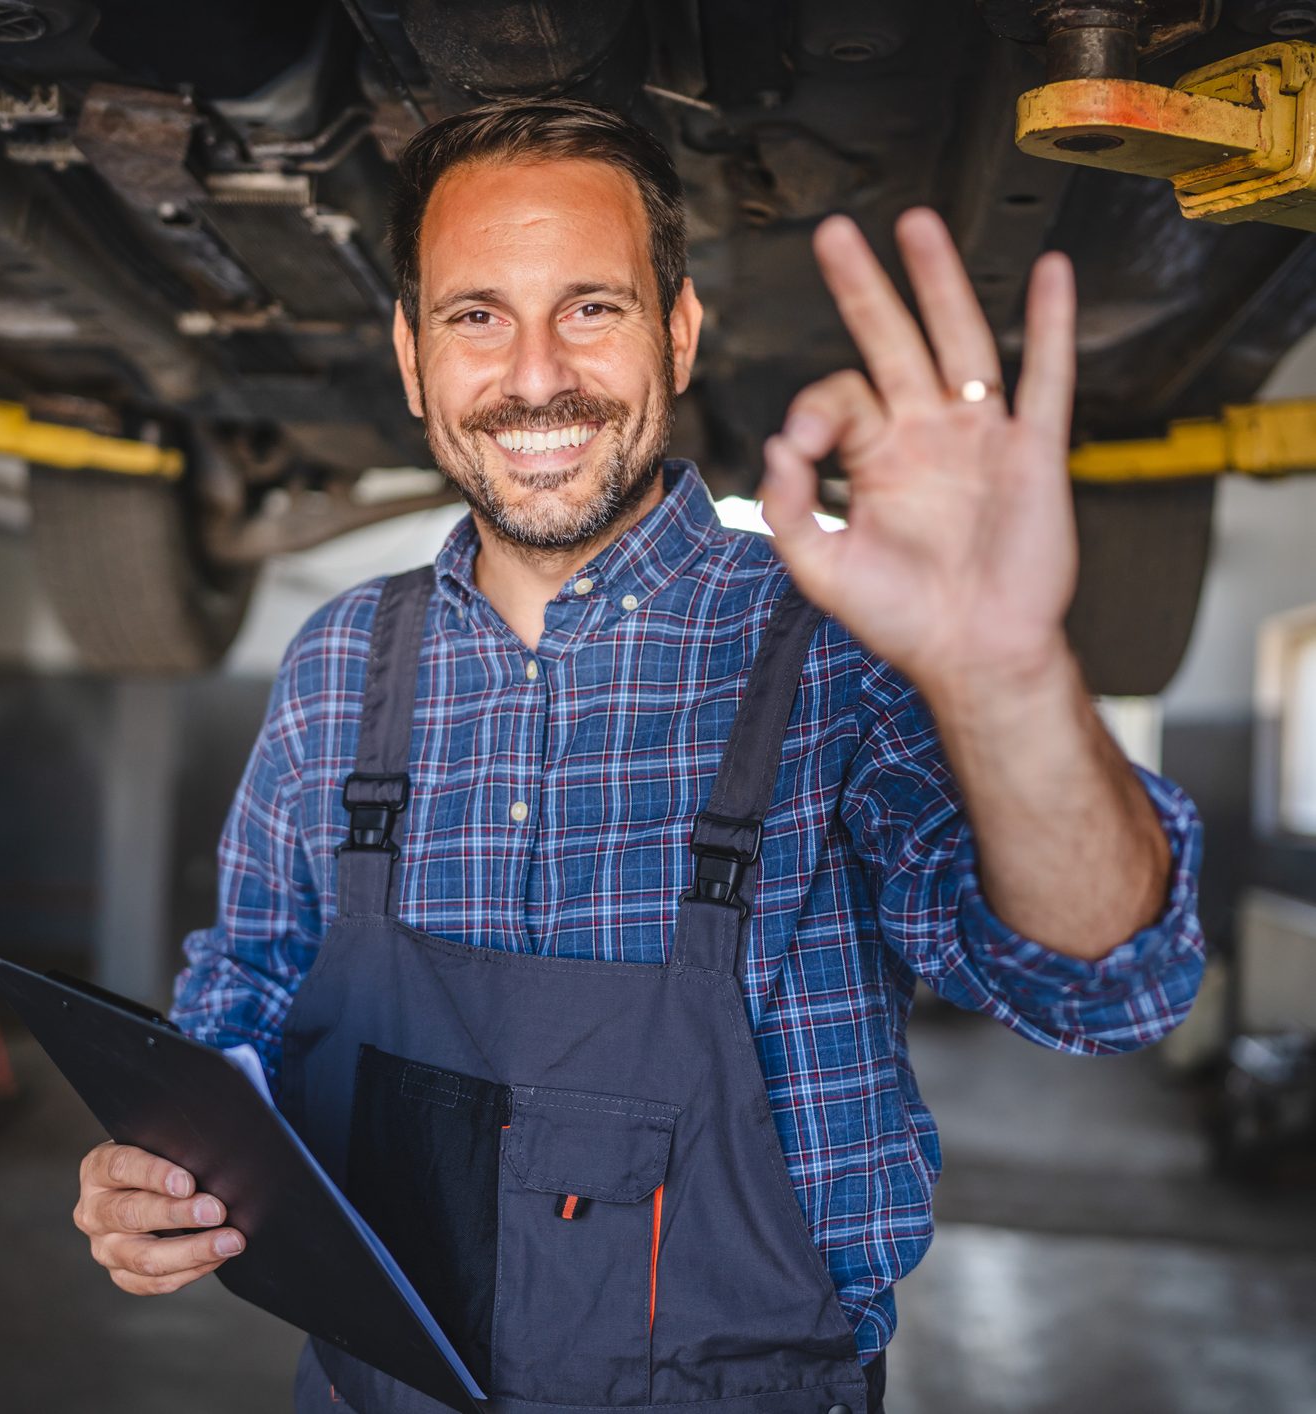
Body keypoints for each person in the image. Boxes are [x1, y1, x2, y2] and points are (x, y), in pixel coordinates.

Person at [71, 99, 1204, 1414]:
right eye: (475, 314)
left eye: (591, 308)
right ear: (409, 352)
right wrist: (160, 1168)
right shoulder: (339, 664)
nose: (534, 374)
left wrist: (1006, 675)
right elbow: (248, 989)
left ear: (675, 330)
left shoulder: (835, 649)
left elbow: (1104, 987)